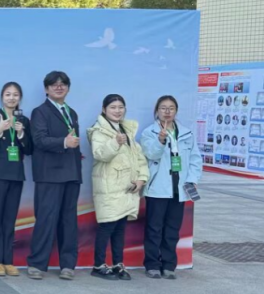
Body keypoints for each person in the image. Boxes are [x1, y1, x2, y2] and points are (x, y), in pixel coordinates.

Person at [27, 71, 82, 281]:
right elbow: (39, 140)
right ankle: (37, 264)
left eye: (63, 84)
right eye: (54, 84)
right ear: (46, 89)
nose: (59, 87)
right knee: (46, 219)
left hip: (71, 173)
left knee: (69, 221)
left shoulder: (72, 112)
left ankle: (68, 264)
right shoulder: (40, 112)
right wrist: (63, 143)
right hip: (49, 174)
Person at [87, 94, 148, 281]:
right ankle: (98, 265)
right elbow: (99, 154)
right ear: (104, 110)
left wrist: (141, 179)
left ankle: (118, 264)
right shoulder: (98, 131)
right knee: (107, 226)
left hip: (126, 188)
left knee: (120, 228)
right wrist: (115, 142)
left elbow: (139, 158)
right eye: (113, 107)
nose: (117, 111)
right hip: (109, 187)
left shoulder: (127, 130)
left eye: (121, 107)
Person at [140, 95, 202, 280]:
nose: (167, 112)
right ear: (157, 111)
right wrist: (160, 140)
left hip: (179, 188)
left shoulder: (186, 133)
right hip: (158, 188)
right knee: (154, 228)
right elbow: (150, 154)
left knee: (172, 229)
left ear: (176, 111)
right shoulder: (149, 132)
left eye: (171, 108)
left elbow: (195, 159)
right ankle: (152, 264)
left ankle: (168, 265)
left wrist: (192, 179)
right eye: (163, 108)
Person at [0, 82, 32, 277]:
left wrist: (21, 133)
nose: (12, 98)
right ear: (2, 97)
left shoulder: (24, 120)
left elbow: (29, 149)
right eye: (8, 94)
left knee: (10, 219)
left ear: (20, 98)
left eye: (15, 95)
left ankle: (8, 260)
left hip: (16, 174)